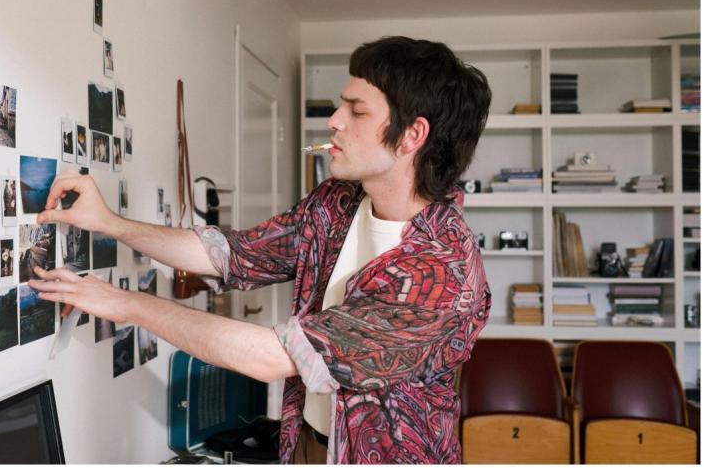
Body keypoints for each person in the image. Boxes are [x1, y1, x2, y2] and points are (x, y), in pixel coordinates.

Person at [30, 36, 492, 464]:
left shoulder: (443, 271)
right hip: (308, 442)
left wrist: (127, 304)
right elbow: (231, 255)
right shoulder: (338, 201)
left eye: (357, 110)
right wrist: (109, 223)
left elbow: (274, 356)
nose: (335, 120)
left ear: (412, 135)